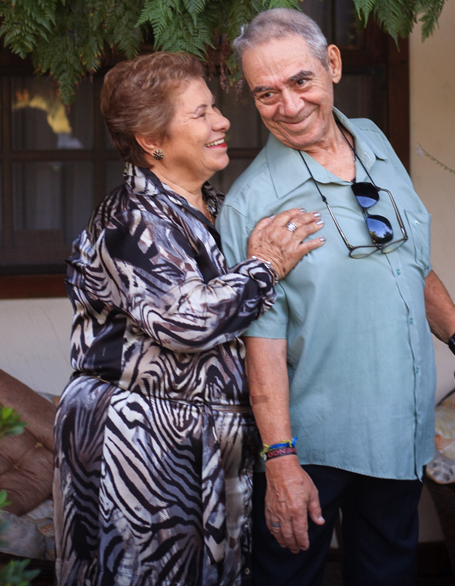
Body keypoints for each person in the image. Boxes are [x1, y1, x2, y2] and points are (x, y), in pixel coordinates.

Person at [217, 9, 455, 585]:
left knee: (388, 576)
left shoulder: (371, 138)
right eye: (266, 93)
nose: (290, 106)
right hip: (311, 444)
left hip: (398, 426)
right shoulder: (252, 206)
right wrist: (281, 462)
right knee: (286, 579)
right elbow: (261, 344)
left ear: (333, 64)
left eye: (301, 81)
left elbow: (407, 262)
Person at [54, 51, 325, 586]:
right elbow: (185, 321)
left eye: (216, 107)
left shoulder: (217, 208)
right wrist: (266, 266)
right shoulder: (131, 219)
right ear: (152, 139)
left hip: (209, 443)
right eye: (201, 113)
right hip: (140, 444)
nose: (223, 121)